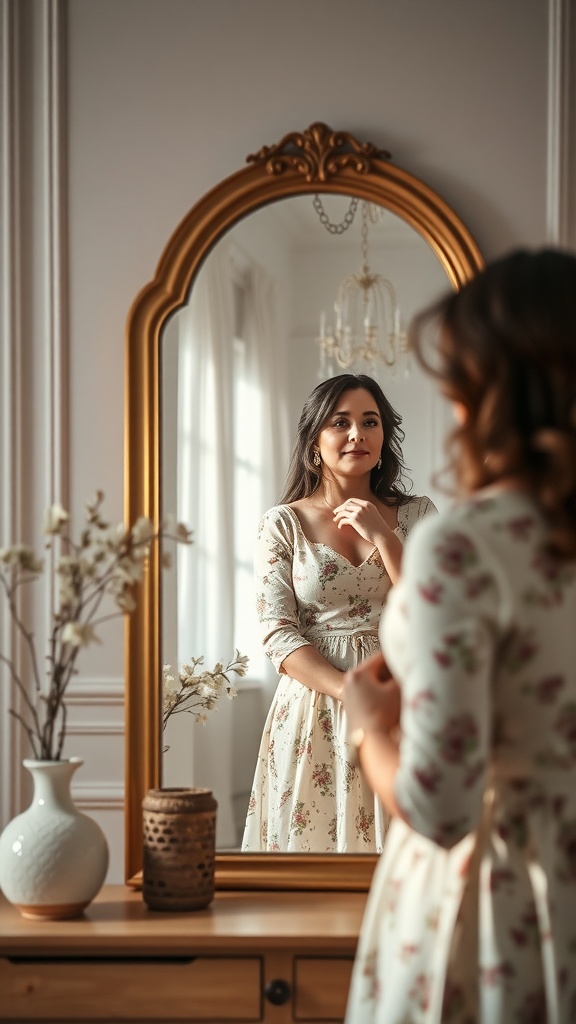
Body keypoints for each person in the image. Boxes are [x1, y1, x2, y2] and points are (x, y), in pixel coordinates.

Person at [343, 249, 576, 1022]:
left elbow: (441, 809)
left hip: (496, 905)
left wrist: (371, 730)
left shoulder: (464, 545)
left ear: (483, 388)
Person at [241, 373, 437, 853]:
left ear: (384, 436)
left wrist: (386, 539)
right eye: (340, 422)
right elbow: (277, 635)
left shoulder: (418, 515)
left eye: (370, 422)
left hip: (400, 698)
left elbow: (435, 616)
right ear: (315, 441)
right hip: (313, 706)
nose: (357, 434)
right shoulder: (282, 523)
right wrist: (348, 691)